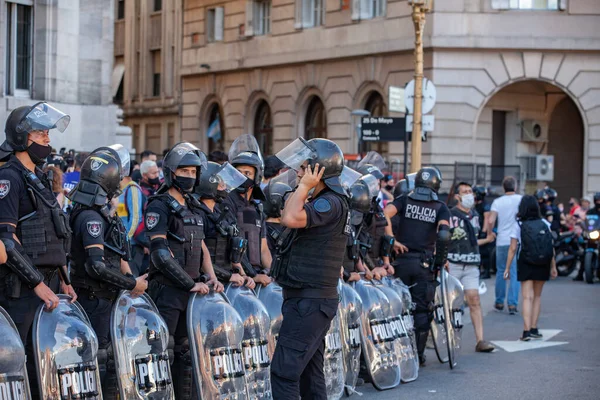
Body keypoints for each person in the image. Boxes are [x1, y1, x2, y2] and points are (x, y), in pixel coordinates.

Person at [0, 102, 76, 399]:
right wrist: (37, 283)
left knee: (46, 362)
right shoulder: (9, 178)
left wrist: (64, 277)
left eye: (47, 132)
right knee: (21, 366)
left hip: (48, 284)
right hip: (22, 288)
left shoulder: (40, 177)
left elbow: (52, 234)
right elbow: (6, 240)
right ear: (21, 138)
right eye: (40, 133)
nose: (47, 138)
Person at [270, 137, 350, 399]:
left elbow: (289, 218)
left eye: (304, 167)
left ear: (319, 171)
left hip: (310, 302)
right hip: (309, 300)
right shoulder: (328, 200)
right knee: (309, 374)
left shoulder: (329, 202)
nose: (298, 172)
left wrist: (304, 186)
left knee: (284, 372)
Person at [67, 145, 148, 398]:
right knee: (98, 362)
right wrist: (130, 284)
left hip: (106, 299)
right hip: (95, 299)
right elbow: (97, 265)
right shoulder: (90, 216)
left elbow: (116, 254)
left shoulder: (98, 213)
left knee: (112, 362)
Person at [145, 142, 223, 399]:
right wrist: (188, 283)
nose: (189, 177)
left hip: (193, 292)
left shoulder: (193, 205)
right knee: (162, 352)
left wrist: (211, 276)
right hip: (167, 291)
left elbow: (201, 246)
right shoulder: (159, 205)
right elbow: (159, 253)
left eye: (193, 172)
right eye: (184, 171)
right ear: (171, 172)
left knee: (187, 353)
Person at [383, 166, 450, 366]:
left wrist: (391, 240)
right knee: (421, 310)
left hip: (401, 260)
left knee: (398, 309)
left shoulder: (404, 200)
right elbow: (444, 234)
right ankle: (417, 355)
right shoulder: (440, 207)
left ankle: (398, 352)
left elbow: (384, 213)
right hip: (424, 263)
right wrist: (441, 258)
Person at [448, 182, 495, 352]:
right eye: (465, 192)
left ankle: (480, 340)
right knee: (452, 302)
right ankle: (449, 337)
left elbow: (472, 241)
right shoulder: (450, 214)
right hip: (453, 263)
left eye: (470, 191)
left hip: (471, 263)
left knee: (474, 299)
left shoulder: (475, 215)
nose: (469, 194)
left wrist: (488, 239)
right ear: (457, 197)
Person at [194, 161, 255, 289]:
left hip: (224, 283)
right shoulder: (196, 214)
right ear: (208, 183)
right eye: (221, 182)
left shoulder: (222, 211)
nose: (225, 186)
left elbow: (233, 249)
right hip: (206, 284)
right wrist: (228, 276)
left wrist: (243, 275)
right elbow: (198, 256)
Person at [504, 195, 557, 341]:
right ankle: (534, 328)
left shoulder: (519, 225)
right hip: (543, 262)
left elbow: (513, 248)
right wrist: (553, 266)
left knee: (527, 297)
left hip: (526, 262)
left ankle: (526, 331)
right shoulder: (545, 223)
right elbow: (550, 247)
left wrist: (507, 268)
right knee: (537, 297)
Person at [223, 134, 272, 287]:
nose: (242, 177)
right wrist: (251, 275)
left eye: (247, 173)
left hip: (257, 278)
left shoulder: (257, 207)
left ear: (256, 176)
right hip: (238, 278)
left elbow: (263, 248)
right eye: (238, 172)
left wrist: (270, 271)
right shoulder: (227, 201)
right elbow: (231, 242)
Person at [487, 176, 522, 314]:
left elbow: (490, 220)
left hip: (501, 240)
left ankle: (499, 302)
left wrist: (490, 234)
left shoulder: (497, 202)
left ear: (503, 187)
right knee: (514, 273)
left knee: (501, 271)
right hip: (516, 240)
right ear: (515, 187)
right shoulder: (521, 200)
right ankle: (512, 304)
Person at [116, 169, 145, 276]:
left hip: (131, 245)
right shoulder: (118, 190)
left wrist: (126, 239)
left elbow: (135, 218)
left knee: (132, 279)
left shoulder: (132, 188)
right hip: (120, 244)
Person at [474, 186, 494, 279]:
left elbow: (486, 218)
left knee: (484, 253)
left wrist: (483, 231)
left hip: (482, 231)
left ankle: (486, 272)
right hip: (477, 230)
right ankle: (480, 270)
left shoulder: (485, 205)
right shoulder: (476, 204)